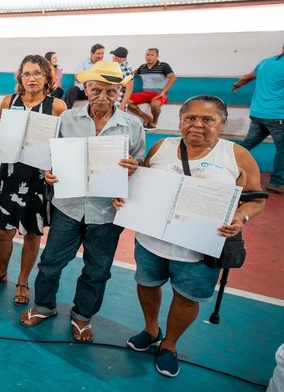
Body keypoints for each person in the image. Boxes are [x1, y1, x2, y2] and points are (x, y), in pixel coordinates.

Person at [117, 95, 266, 377]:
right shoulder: (162, 147)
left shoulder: (236, 156)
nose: (197, 125)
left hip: (199, 249)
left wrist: (240, 218)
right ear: (181, 121)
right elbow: (144, 183)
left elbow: (256, 199)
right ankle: (151, 329)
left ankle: (170, 344)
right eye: (190, 118)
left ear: (221, 124)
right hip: (151, 241)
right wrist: (126, 196)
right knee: (146, 284)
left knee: (186, 298)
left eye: (207, 119)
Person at [21, 61, 144, 343]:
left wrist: (134, 167)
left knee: (97, 269)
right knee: (50, 262)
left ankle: (82, 316)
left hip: (106, 212)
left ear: (119, 93)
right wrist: (50, 172)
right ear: (86, 89)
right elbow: (50, 156)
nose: (103, 97)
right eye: (96, 90)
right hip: (69, 206)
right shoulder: (67, 119)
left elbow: (140, 165)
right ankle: (43, 306)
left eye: (111, 92)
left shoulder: (133, 126)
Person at [0, 55, 67, 305]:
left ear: (47, 78)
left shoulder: (57, 107)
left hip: (38, 179)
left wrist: (57, 167)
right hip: (9, 175)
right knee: (3, 232)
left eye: (37, 73)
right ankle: (1, 272)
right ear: (19, 77)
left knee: (33, 233)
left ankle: (22, 280)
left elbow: (64, 145)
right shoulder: (8, 102)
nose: (32, 78)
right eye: (27, 73)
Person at [233, 43, 284, 195]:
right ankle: (277, 182)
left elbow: (247, 77)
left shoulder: (266, 62)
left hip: (258, 112)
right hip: (277, 116)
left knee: (249, 143)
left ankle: (224, 164)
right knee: (282, 149)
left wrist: (237, 85)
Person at [127, 48, 178, 129]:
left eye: (152, 55)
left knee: (154, 105)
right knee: (126, 101)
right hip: (145, 93)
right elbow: (131, 74)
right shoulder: (142, 67)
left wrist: (163, 92)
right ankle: (146, 117)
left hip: (158, 94)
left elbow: (173, 78)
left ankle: (154, 121)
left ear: (157, 56)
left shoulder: (164, 66)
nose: (149, 57)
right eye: (147, 55)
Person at [63, 43, 104, 108]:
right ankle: (65, 112)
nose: (101, 56)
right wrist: (90, 81)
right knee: (71, 91)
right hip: (82, 89)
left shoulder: (104, 64)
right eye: (98, 53)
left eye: (102, 54)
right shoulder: (83, 63)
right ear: (91, 53)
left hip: (96, 90)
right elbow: (77, 77)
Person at [109, 46, 134, 111]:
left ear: (116, 57)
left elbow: (129, 88)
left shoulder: (125, 69)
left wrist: (122, 106)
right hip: (113, 103)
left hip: (118, 104)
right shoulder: (119, 67)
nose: (112, 57)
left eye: (113, 55)